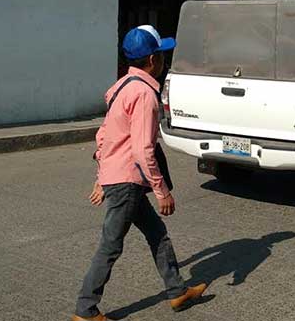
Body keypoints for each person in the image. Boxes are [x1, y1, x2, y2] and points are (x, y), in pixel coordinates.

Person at [73, 25, 207, 321]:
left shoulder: (122, 87)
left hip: (119, 178)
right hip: (128, 182)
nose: (164, 61)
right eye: (161, 55)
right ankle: (85, 310)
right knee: (110, 246)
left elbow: (104, 136)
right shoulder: (145, 95)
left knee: (157, 234)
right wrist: (162, 191)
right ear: (151, 60)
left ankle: (177, 291)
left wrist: (102, 176)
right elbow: (143, 149)